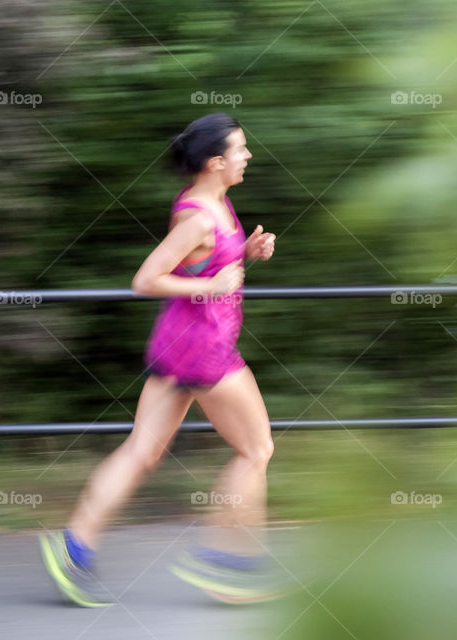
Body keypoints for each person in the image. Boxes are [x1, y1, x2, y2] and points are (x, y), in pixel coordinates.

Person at [39, 113, 278, 607]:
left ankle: (73, 548)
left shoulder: (210, 202)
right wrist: (211, 284)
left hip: (177, 346)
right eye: (240, 149)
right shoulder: (197, 217)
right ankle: (224, 558)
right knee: (256, 451)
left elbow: (205, 259)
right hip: (206, 351)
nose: (248, 156)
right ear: (216, 162)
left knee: (142, 451)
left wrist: (246, 253)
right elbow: (146, 279)